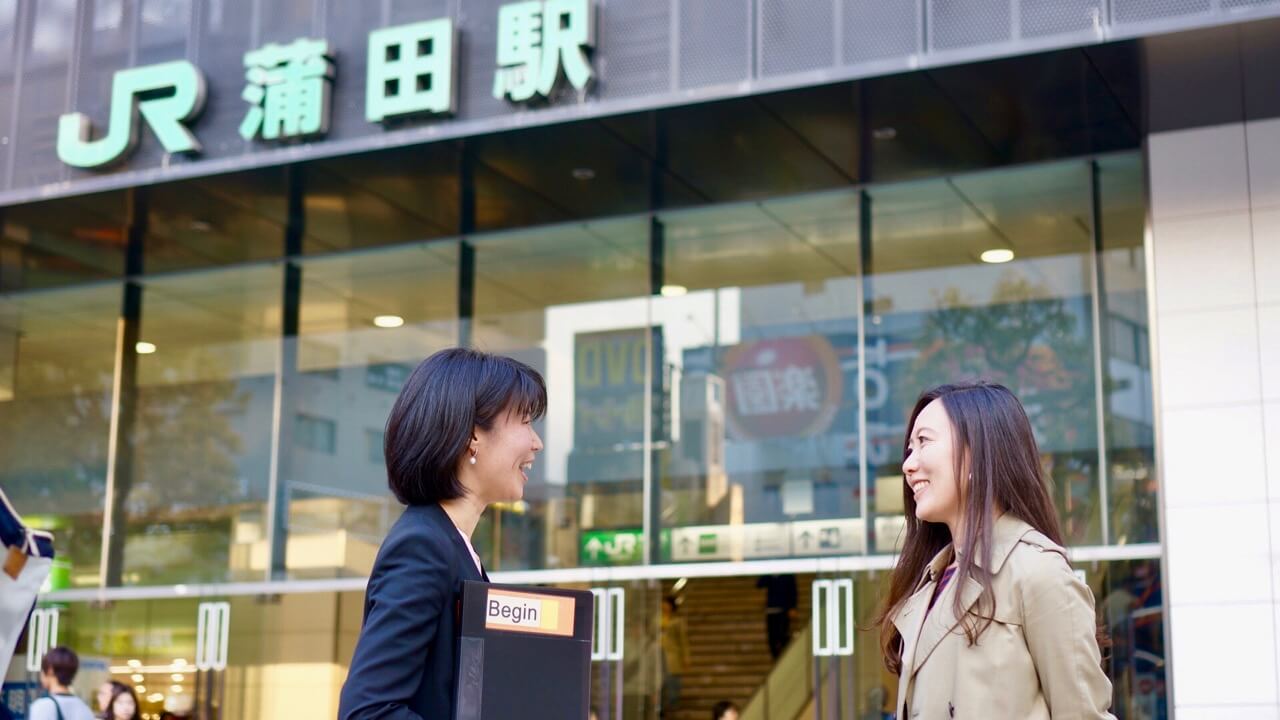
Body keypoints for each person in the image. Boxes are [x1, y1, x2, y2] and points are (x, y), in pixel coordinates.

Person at [874, 382, 1115, 719]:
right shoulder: (929, 581)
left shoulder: (1037, 572)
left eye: (924, 442)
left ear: (977, 453)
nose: (908, 465)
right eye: (909, 449)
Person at [339, 348, 546, 719]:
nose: (537, 442)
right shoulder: (423, 547)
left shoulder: (453, 545)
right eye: (526, 421)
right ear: (472, 436)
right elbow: (367, 711)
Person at [28, 647, 95, 720]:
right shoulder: (85, 709)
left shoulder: (42, 707)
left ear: (50, 670)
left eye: (43, 669)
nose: (41, 674)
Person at [658, 595, 691, 718]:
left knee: (672, 680)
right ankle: (661, 706)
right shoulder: (657, 619)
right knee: (660, 681)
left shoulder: (677, 621)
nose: (664, 606)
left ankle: (673, 704)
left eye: (666, 603)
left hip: (672, 654)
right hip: (658, 653)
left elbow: (683, 640)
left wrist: (686, 657)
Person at [755, 574, 797, 659]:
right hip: (771, 610)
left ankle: (785, 654)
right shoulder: (769, 574)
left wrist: (792, 607)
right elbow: (759, 584)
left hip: (783, 610)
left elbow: (793, 591)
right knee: (772, 638)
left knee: (782, 634)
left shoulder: (788, 575)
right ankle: (776, 657)